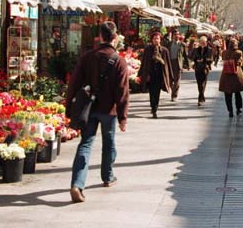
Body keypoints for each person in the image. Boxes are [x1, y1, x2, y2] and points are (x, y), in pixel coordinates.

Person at [66, 21, 129, 203]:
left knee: (85, 144)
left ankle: (77, 184)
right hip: (109, 111)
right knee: (108, 143)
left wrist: (69, 106)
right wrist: (123, 117)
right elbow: (122, 91)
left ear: (100, 37)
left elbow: (74, 84)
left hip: (88, 109)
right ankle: (108, 177)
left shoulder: (87, 57)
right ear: (115, 38)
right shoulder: (119, 61)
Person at [138, 31, 173, 118]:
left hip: (160, 75)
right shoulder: (148, 49)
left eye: (158, 38)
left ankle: (155, 109)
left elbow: (168, 64)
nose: (156, 40)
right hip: (150, 75)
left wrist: (171, 76)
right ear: (152, 40)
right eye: (154, 39)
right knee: (151, 92)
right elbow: (144, 62)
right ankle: (152, 106)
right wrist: (140, 74)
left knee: (157, 93)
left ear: (160, 40)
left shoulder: (164, 51)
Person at [218, 39, 243, 117]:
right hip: (236, 75)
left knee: (227, 94)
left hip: (226, 75)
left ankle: (230, 110)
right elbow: (240, 63)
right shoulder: (239, 52)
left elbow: (223, 59)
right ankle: (239, 108)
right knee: (237, 93)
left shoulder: (224, 52)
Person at [192, 35, 213, 106]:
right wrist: (196, 60)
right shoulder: (196, 49)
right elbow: (192, 57)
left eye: (204, 42)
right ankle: (202, 96)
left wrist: (204, 60)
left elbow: (211, 60)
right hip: (197, 68)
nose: (203, 44)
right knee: (199, 83)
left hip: (205, 68)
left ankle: (200, 98)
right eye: (201, 42)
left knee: (203, 83)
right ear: (199, 42)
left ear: (206, 42)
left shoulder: (209, 50)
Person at [168, 31, 189, 101]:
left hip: (178, 63)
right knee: (170, 81)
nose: (176, 36)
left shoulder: (182, 44)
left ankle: (174, 95)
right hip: (170, 63)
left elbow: (185, 55)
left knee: (177, 81)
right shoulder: (169, 44)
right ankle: (173, 90)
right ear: (172, 35)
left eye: (177, 34)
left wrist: (188, 65)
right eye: (175, 34)